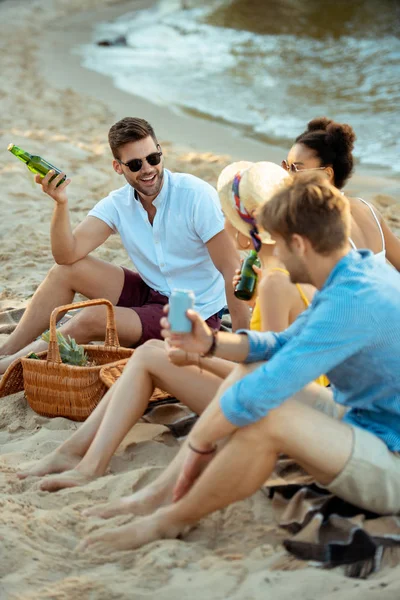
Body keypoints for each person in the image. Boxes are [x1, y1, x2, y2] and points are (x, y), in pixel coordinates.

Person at [76, 171, 400, 552]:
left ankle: (169, 517)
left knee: (266, 417)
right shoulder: (360, 270)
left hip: (390, 458)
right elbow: (281, 344)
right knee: (251, 371)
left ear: (299, 243)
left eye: (280, 243)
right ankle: (159, 496)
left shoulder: (351, 303)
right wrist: (212, 343)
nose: (274, 251)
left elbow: (258, 396)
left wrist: (199, 444)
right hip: (368, 422)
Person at [18, 161, 309, 490]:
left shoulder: (273, 282)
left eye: (227, 218)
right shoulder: (280, 270)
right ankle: (78, 457)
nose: (223, 227)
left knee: (151, 355)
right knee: (155, 353)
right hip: (287, 394)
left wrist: (206, 352)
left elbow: (262, 373)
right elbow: (263, 348)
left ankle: (83, 461)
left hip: (277, 407)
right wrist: (210, 348)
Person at [0, 117, 249, 373]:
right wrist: (61, 204)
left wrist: (242, 345)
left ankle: (9, 367)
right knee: (66, 271)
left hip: (191, 315)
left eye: (153, 158)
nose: (148, 169)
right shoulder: (118, 204)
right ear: (118, 167)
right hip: (151, 293)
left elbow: (232, 269)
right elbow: (66, 254)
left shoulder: (195, 195)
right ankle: (7, 350)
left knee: (92, 318)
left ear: (160, 151)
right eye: (135, 164)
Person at [282, 117, 400, 270]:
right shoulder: (368, 209)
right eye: (286, 166)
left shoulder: (315, 223)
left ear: (327, 173)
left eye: (296, 168)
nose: (287, 175)